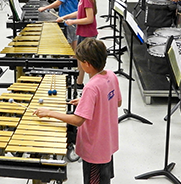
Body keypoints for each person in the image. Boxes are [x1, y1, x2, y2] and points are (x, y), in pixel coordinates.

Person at [34, 38, 122, 184]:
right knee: (104, 179)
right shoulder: (111, 76)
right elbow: (117, 102)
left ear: (87, 64)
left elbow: (78, 120)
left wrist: (49, 112)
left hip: (95, 148)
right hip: (108, 142)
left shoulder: (91, 87)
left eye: (80, 61)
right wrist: (87, 102)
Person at [56, 0, 97, 88]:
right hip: (83, 33)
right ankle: (79, 83)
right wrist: (65, 17)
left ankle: (93, 86)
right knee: (80, 59)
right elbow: (80, 12)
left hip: (88, 34)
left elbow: (89, 19)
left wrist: (73, 22)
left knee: (89, 63)